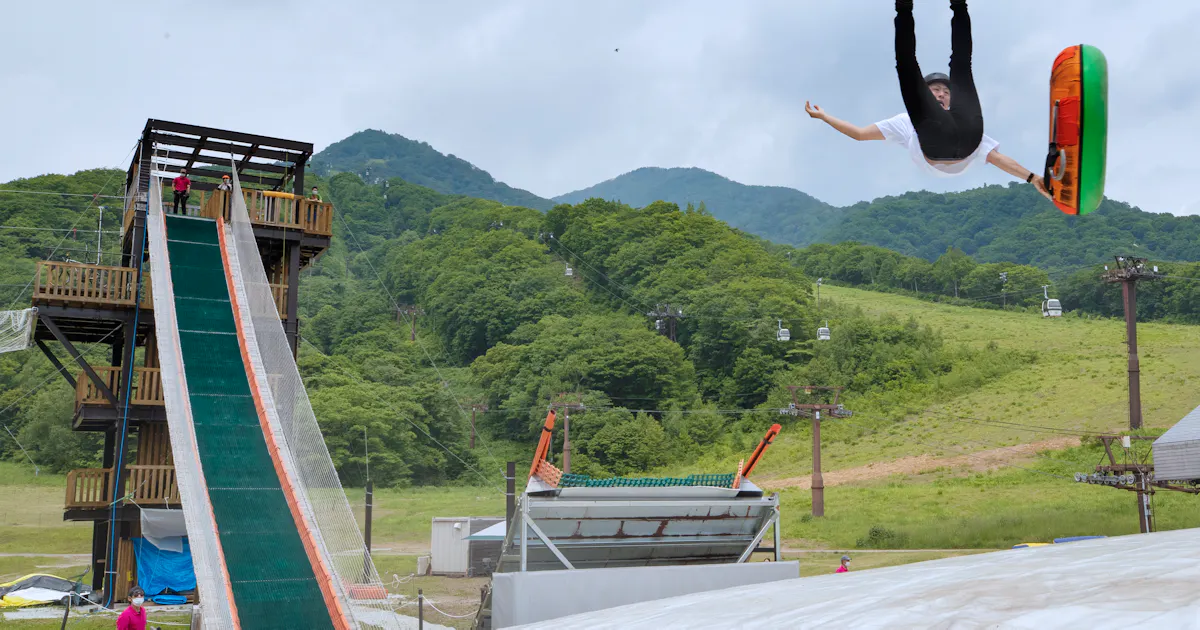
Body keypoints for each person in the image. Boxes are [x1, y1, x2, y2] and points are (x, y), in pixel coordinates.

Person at [805, 0, 1050, 200]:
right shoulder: (904, 123)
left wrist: (1032, 178)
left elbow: (998, 158)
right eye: (935, 90)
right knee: (908, 66)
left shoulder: (958, 114)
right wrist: (824, 117)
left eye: (945, 90)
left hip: (967, 136)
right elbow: (859, 134)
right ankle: (904, 8)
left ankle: (958, 5)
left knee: (961, 65)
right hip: (936, 145)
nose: (941, 93)